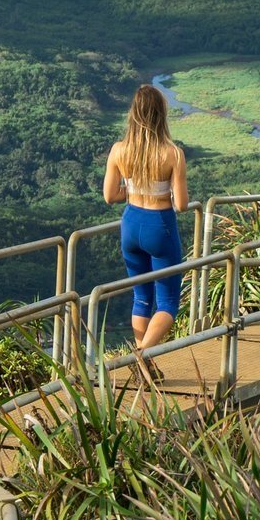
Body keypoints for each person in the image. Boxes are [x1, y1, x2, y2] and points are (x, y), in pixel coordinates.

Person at [103, 82, 189, 356]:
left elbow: (109, 196)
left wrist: (133, 188)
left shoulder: (119, 150)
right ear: (161, 114)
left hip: (130, 224)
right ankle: (140, 357)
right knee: (168, 304)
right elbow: (182, 204)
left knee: (141, 297)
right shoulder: (173, 153)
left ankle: (143, 360)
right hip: (159, 226)